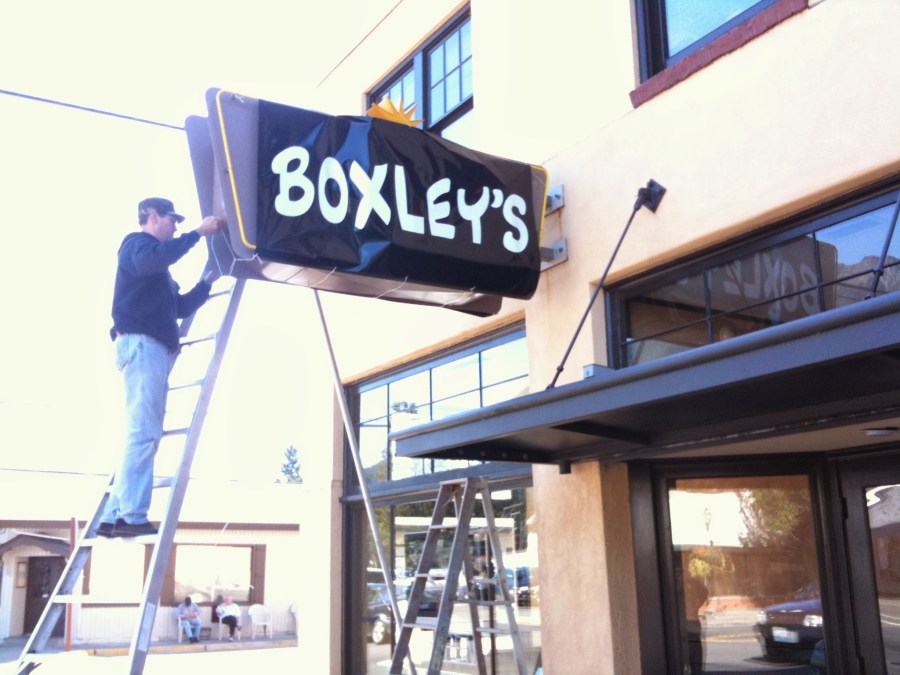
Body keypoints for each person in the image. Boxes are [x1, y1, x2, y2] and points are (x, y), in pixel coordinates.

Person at [97, 198, 223, 538]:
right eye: (172, 220)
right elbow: (155, 259)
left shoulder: (156, 273)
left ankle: (113, 516)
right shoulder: (137, 246)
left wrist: (206, 284)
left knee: (140, 432)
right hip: (142, 344)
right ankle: (132, 516)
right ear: (153, 217)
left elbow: (179, 307)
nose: (176, 226)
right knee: (144, 433)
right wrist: (198, 233)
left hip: (149, 347)